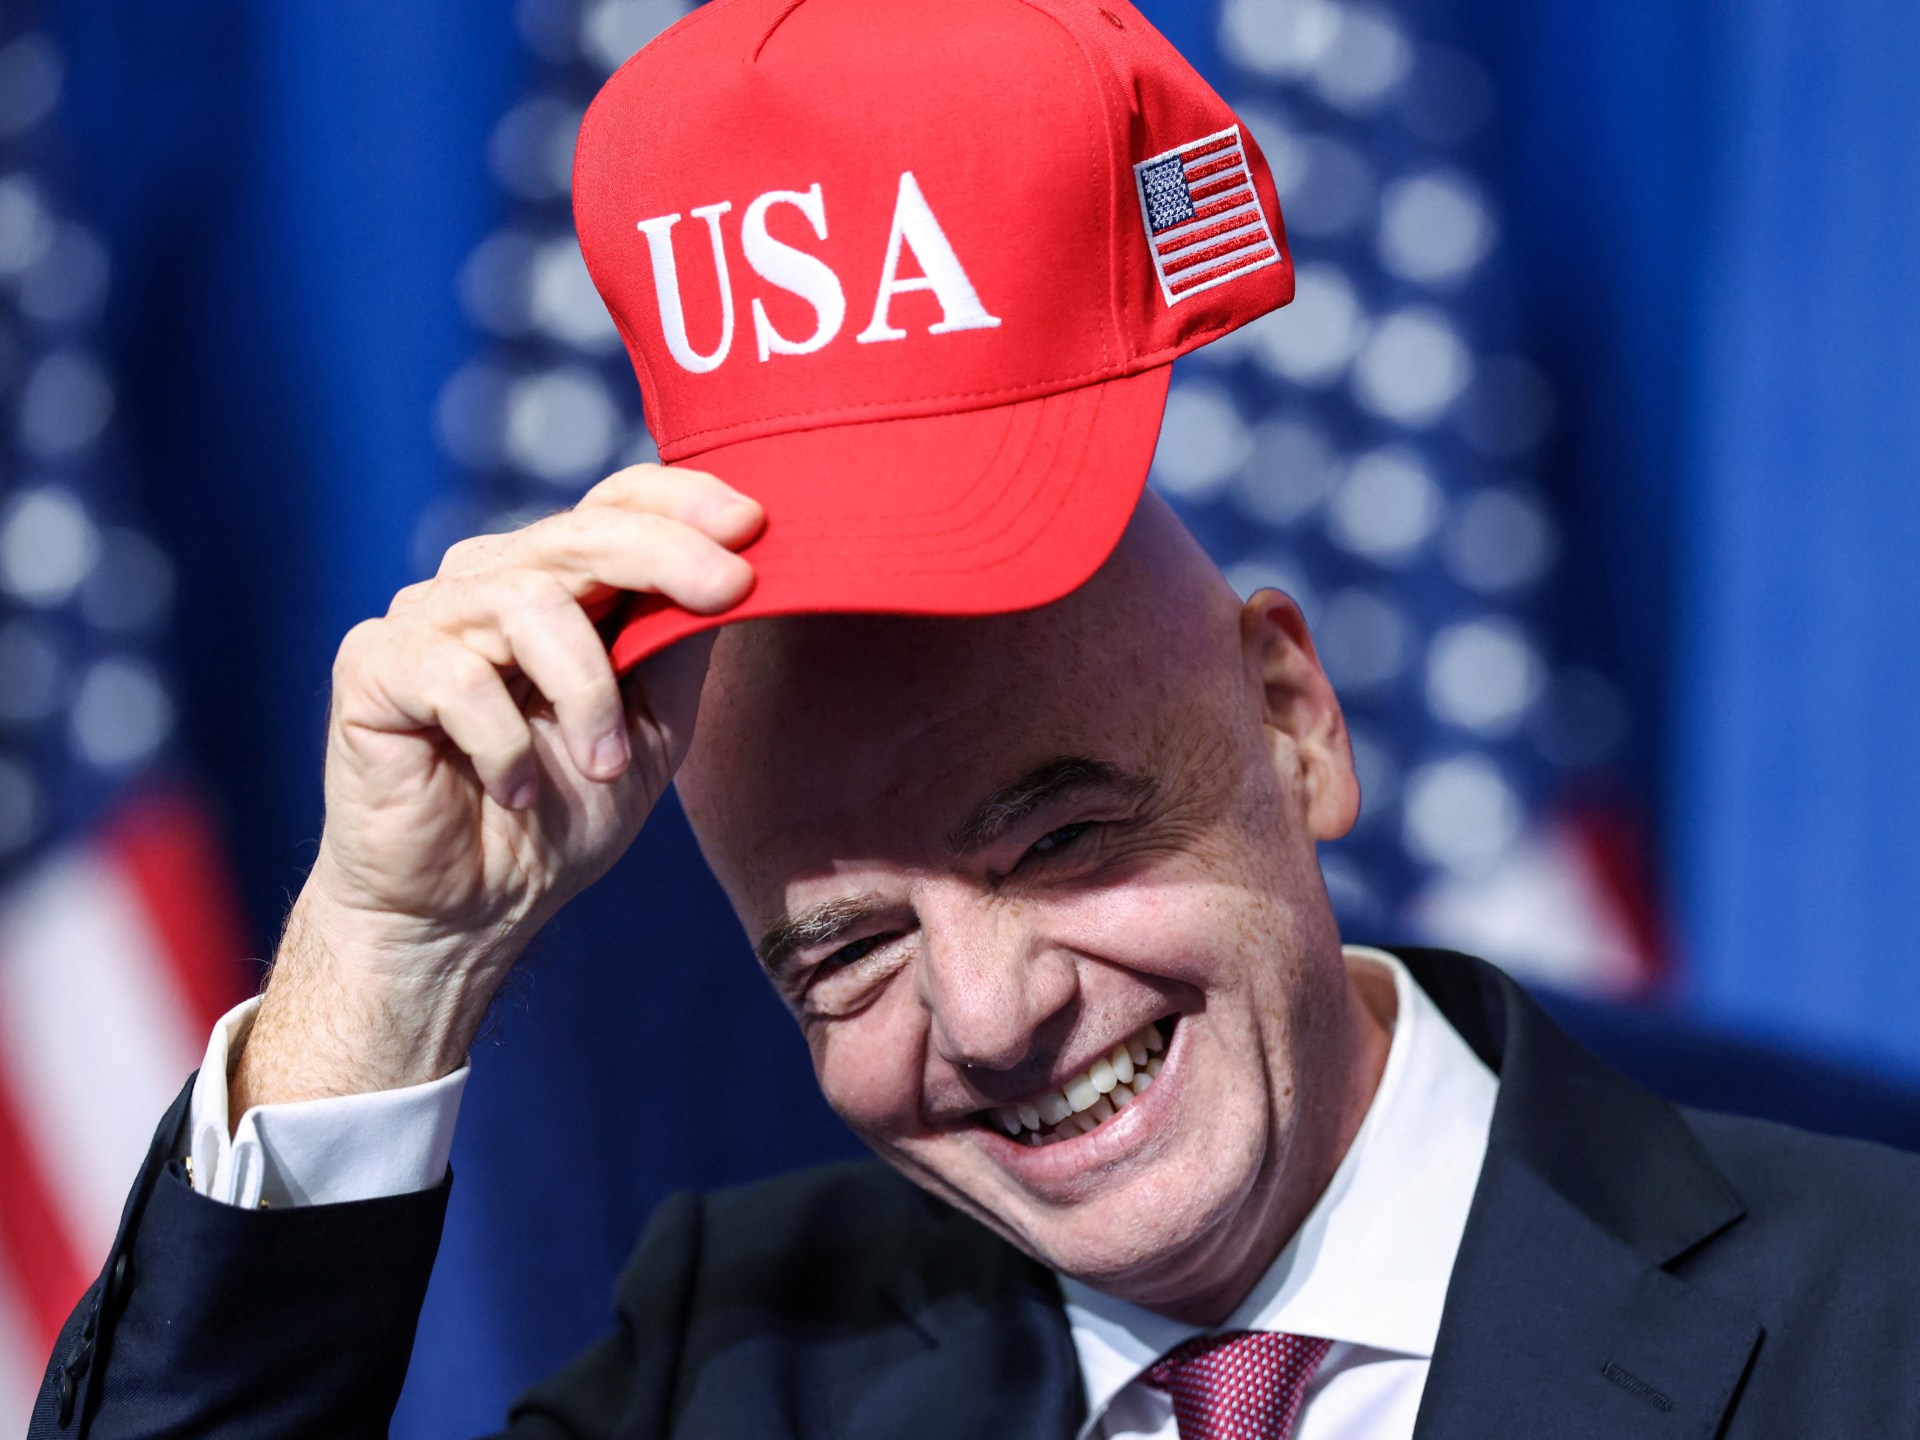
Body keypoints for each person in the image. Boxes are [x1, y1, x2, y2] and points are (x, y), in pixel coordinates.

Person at [30, 1, 1920, 1437]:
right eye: (844, 951)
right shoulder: (733, 1372)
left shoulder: (1880, 1326)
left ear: (1296, 720)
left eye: (1062, 836)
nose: (993, 1015)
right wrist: (384, 965)